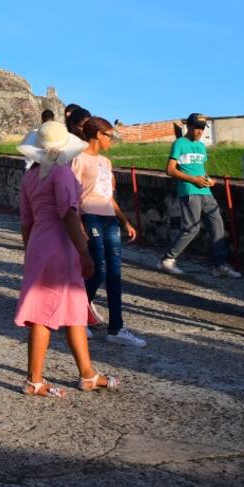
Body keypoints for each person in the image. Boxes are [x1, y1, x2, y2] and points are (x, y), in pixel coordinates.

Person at [15, 121, 120, 397]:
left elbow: (26, 221)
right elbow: (68, 214)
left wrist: (31, 252)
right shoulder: (61, 174)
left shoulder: (30, 177)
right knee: (45, 314)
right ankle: (34, 380)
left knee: (75, 309)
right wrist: (84, 250)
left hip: (40, 243)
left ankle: (87, 373)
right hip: (61, 245)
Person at [73, 117, 145, 347]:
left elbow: (108, 195)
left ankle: (116, 327)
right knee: (98, 269)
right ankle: (76, 316)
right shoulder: (78, 158)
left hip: (109, 218)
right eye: (109, 136)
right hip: (89, 216)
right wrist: (79, 226)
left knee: (114, 272)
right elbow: (72, 196)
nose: (111, 140)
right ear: (97, 135)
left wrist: (125, 221)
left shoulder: (106, 162)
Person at [158, 113, 240, 278]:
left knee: (218, 226)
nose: (199, 131)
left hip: (205, 191)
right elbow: (170, 170)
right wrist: (193, 179)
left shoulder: (202, 147)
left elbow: (201, 169)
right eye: (197, 127)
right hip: (189, 191)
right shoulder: (179, 144)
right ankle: (167, 260)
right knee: (191, 228)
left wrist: (209, 180)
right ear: (188, 126)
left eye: (202, 128)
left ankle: (219, 265)